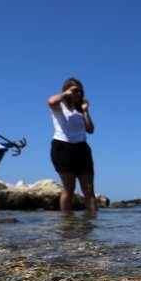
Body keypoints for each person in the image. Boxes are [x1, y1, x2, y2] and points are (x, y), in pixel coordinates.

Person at [48, 78, 97, 213]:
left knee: (89, 190)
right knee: (69, 189)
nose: (79, 93)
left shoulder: (80, 110)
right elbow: (51, 101)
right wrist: (66, 93)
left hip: (82, 148)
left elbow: (91, 130)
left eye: (80, 91)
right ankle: (67, 225)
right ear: (67, 91)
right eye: (75, 90)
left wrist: (85, 111)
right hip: (63, 148)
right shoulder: (59, 106)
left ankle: (92, 224)